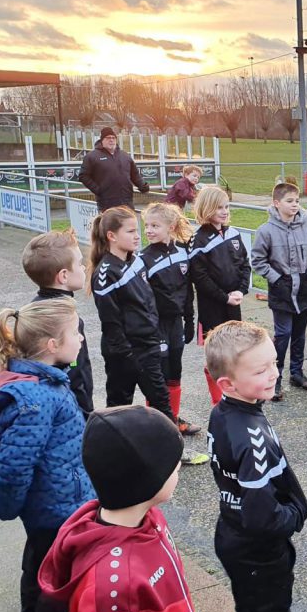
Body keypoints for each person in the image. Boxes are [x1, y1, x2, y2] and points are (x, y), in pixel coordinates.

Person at [0, 298, 93, 612]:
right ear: (52, 345)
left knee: (50, 573)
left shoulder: (47, 382)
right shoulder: (35, 398)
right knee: (45, 582)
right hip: (51, 510)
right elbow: (14, 465)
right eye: (75, 333)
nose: (81, 340)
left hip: (62, 503)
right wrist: (7, 507)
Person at [38, 406, 202, 612]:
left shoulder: (149, 517)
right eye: (173, 465)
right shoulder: (110, 589)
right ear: (145, 480)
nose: (178, 467)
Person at [205, 321, 307, 612]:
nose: (274, 373)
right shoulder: (252, 437)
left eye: (275, 363)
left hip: (232, 532)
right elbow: (262, 515)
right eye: (261, 370)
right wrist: (293, 515)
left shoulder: (222, 413)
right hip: (258, 551)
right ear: (227, 383)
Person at [89, 207, 175, 424]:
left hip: (148, 346)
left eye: (137, 230)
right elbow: (110, 321)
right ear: (112, 236)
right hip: (124, 354)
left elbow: (148, 302)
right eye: (130, 231)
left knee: (161, 403)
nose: (138, 236)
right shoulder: (105, 272)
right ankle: (116, 453)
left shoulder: (137, 261)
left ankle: (171, 453)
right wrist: (126, 355)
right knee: (119, 407)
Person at [250, 181, 307, 399]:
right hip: (281, 290)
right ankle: (275, 377)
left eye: (297, 201)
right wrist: (276, 279)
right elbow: (258, 260)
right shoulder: (266, 231)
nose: (294, 205)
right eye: (289, 201)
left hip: (303, 289)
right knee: (283, 334)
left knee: (300, 333)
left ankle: (297, 372)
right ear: (276, 203)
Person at [139, 203, 203, 436]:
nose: (149, 230)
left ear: (171, 227)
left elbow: (188, 290)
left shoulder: (183, 253)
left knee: (175, 373)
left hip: (176, 324)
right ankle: (156, 427)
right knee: (157, 376)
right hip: (156, 326)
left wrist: (189, 320)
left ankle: (172, 421)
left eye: (155, 225)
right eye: (147, 225)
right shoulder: (143, 258)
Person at [189, 186, 251, 404]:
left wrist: (241, 290)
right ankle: (218, 399)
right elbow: (201, 278)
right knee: (215, 354)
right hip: (212, 307)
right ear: (206, 208)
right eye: (219, 207)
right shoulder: (198, 240)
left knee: (233, 349)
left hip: (233, 303)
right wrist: (223, 296)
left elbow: (245, 264)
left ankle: (233, 392)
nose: (224, 211)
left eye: (227, 206)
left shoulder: (233, 234)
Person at [22, 229, 93, 417]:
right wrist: (86, 413)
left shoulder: (39, 309)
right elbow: (73, 374)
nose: (84, 267)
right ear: (63, 276)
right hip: (70, 413)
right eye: (79, 263)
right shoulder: (62, 320)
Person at [78, 127, 150, 212]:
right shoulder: (92, 156)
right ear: (102, 140)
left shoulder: (124, 155)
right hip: (107, 203)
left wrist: (142, 185)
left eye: (113, 138)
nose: (111, 140)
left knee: (128, 224)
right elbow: (83, 176)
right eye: (108, 138)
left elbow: (134, 174)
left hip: (127, 201)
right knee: (110, 225)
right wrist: (98, 190)